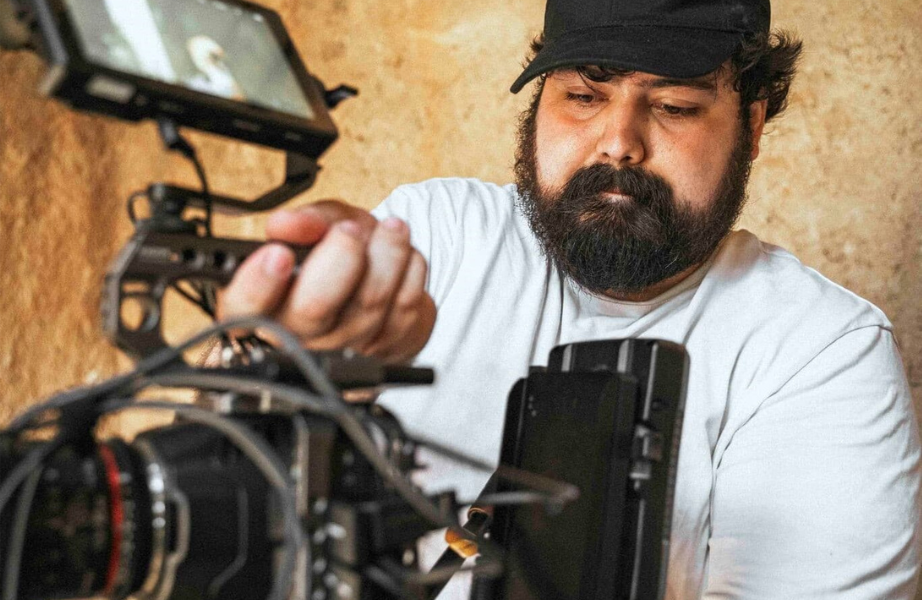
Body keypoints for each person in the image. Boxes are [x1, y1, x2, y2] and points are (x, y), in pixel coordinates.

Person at [219, 0, 922, 597]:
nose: (618, 143)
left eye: (675, 105)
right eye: (583, 96)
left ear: (754, 124)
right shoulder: (436, 235)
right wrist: (274, 358)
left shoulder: (818, 350)